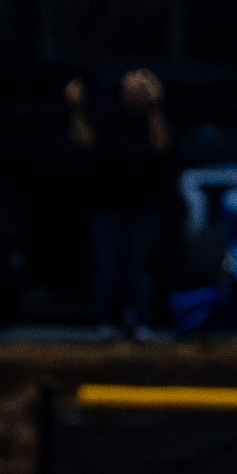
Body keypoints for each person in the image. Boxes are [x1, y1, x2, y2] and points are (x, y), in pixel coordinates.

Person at [66, 69, 174, 340]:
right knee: (107, 268)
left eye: (138, 89)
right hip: (108, 206)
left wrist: (154, 106)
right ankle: (106, 322)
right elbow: (85, 142)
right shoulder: (109, 118)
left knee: (137, 268)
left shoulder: (153, 121)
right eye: (128, 89)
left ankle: (141, 322)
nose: (131, 94)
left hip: (144, 207)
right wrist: (76, 107)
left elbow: (162, 147)